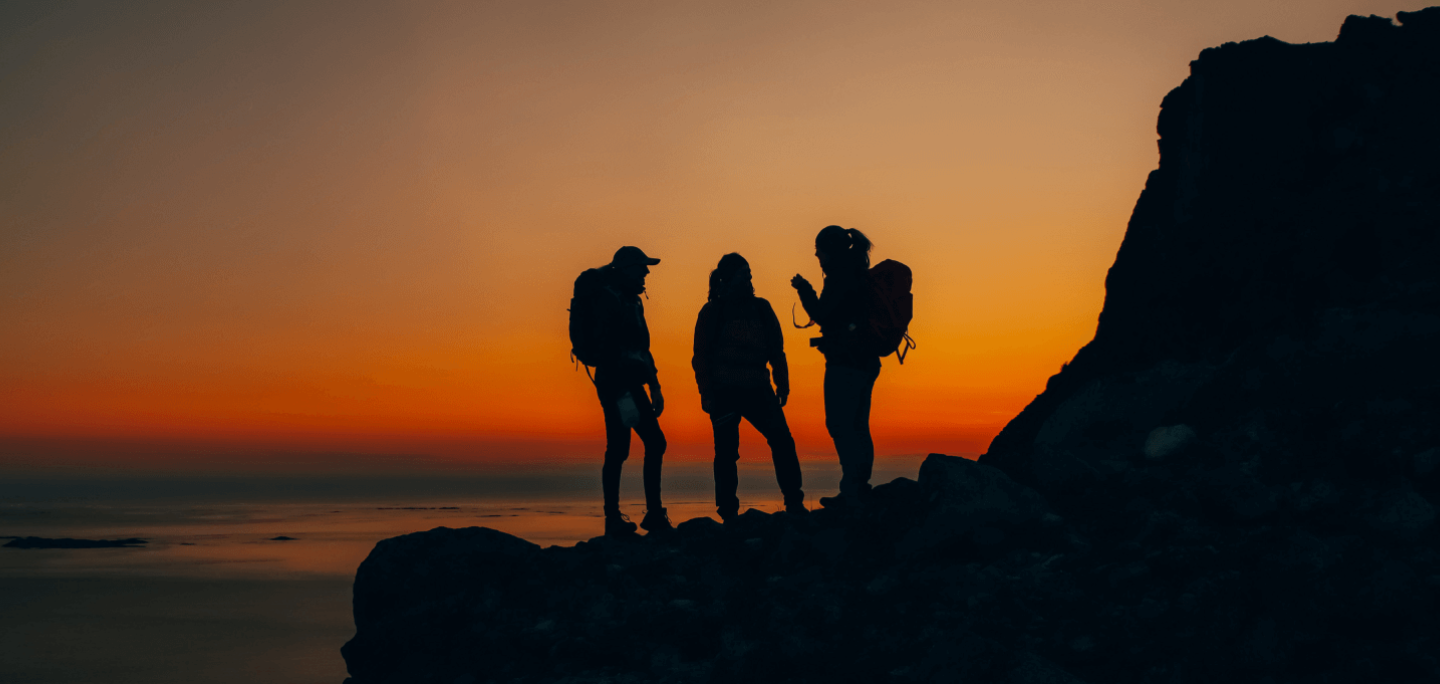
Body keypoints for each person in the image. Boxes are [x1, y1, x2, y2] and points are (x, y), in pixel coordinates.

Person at [693, 253, 806, 521]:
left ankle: (794, 501)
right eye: (744, 275)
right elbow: (701, 356)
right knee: (726, 453)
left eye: (750, 275)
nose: (749, 280)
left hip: (758, 389)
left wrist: (783, 383)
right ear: (727, 279)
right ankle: (728, 511)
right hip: (724, 393)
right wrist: (706, 393)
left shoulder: (761, 308)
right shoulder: (712, 312)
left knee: (781, 440)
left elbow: (777, 350)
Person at [790, 226, 881, 508]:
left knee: (841, 425)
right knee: (857, 425)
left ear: (830, 251)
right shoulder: (857, 273)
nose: (817, 257)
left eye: (819, 251)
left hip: (846, 363)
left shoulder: (840, 277)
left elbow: (823, 316)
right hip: (864, 361)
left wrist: (804, 290)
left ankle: (852, 490)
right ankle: (857, 486)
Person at [588, 246, 671, 536]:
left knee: (633, 446)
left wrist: (655, 385)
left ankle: (636, 515)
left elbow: (642, 348)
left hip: (629, 385)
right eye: (641, 267)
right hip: (618, 385)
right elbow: (619, 348)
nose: (646, 273)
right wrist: (642, 383)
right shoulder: (611, 301)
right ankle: (633, 517)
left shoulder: (634, 302)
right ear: (625, 269)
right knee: (629, 446)